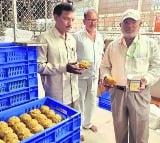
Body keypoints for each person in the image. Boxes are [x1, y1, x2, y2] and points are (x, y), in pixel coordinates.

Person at [100, 9, 160, 143]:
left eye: (133, 22)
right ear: (120, 25)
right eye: (126, 22)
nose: (129, 26)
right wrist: (105, 77)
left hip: (140, 93)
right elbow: (104, 66)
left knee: (140, 133)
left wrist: (148, 79)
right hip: (118, 93)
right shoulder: (113, 46)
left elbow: (156, 67)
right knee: (119, 130)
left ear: (140, 24)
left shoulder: (150, 44)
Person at [37, 3, 83, 109]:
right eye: (66, 18)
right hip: (57, 97)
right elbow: (39, 66)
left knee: (74, 124)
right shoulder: (44, 39)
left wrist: (78, 67)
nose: (70, 23)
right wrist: (64, 67)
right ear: (55, 17)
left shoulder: (72, 39)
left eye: (72, 20)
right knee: (59, 123)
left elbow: (72, 63)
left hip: (74, 94)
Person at [74, 8, 104, 137]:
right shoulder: (77, 36)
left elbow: (100, 55)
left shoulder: (100, 37)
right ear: (84, 21)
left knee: (92, 101)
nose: (93, 22)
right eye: (90, 20)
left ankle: (88, 123)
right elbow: (71, 54)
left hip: (94, 75)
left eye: (95, 20)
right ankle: (78, 129)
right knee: (79, 102)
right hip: (81, 76)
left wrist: (101, 74)